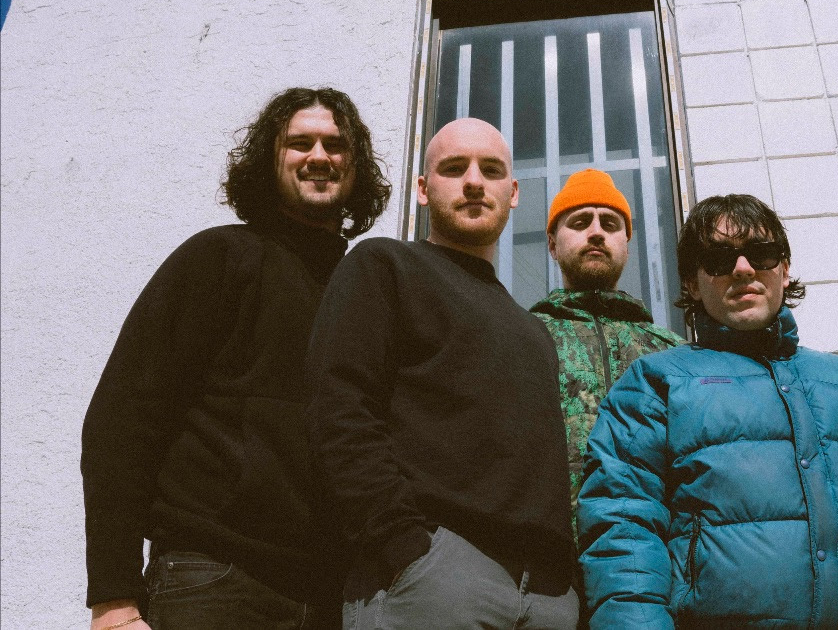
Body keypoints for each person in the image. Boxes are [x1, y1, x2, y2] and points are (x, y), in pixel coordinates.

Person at [578, 194, 838, 628]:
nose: (743, 268)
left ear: (784, 269)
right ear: (693, 284)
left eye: (762, 253)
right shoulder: (655, 383)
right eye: (718, 259)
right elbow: (623, 531)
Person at [81, 87, 391, 630]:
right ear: (269, 159)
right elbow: (122, 419)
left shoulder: (365, 289)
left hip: (335, 598)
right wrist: (114, 599)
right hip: (214, 580)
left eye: (335, 144)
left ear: (355, 165)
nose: (319, 156)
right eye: (300, 143)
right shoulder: (218, 257)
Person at [306, 117, 578, 629]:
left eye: (491, 170)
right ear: (423, 189)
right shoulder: (385, 265)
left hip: (547, 597)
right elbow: (339, 409)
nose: (474, 181)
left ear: (513, 193)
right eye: (454, 168)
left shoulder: (534, 330)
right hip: (436, 581)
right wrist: (403, 547)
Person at [531, 168, 683, 527]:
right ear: (552, 244)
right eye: (580, 222)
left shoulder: (672, 354)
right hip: (548, 553)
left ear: (626, 244)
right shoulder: (523, 338)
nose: (597, 232)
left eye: (610, 224)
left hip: (656, 549)